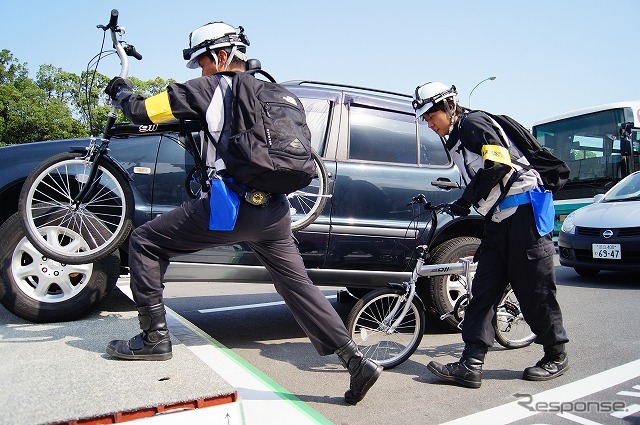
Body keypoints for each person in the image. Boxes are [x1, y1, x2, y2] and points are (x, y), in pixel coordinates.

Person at [103, 21, 382, 405]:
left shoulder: (212, 87)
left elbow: (143, 111)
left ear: (220, 55)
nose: (201, 70)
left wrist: (121, 91)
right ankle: (356, 361)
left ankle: (154, 338)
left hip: (233, 206)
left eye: (202, 61)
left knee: (146, 242)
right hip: (276, 211)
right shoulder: (276, 91)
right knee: (297, 286)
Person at [412, 82, 569, 388]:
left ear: (449, 107)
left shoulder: (473, 123)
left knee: (534, 289)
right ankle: (470, 365)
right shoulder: (455, 139)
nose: (429, 123)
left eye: (431, 116)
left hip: (525, 213)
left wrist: (465, 199)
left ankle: (556, 354)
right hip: (499, 219)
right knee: (484, 290)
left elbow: (498, 164)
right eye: (424, 119)